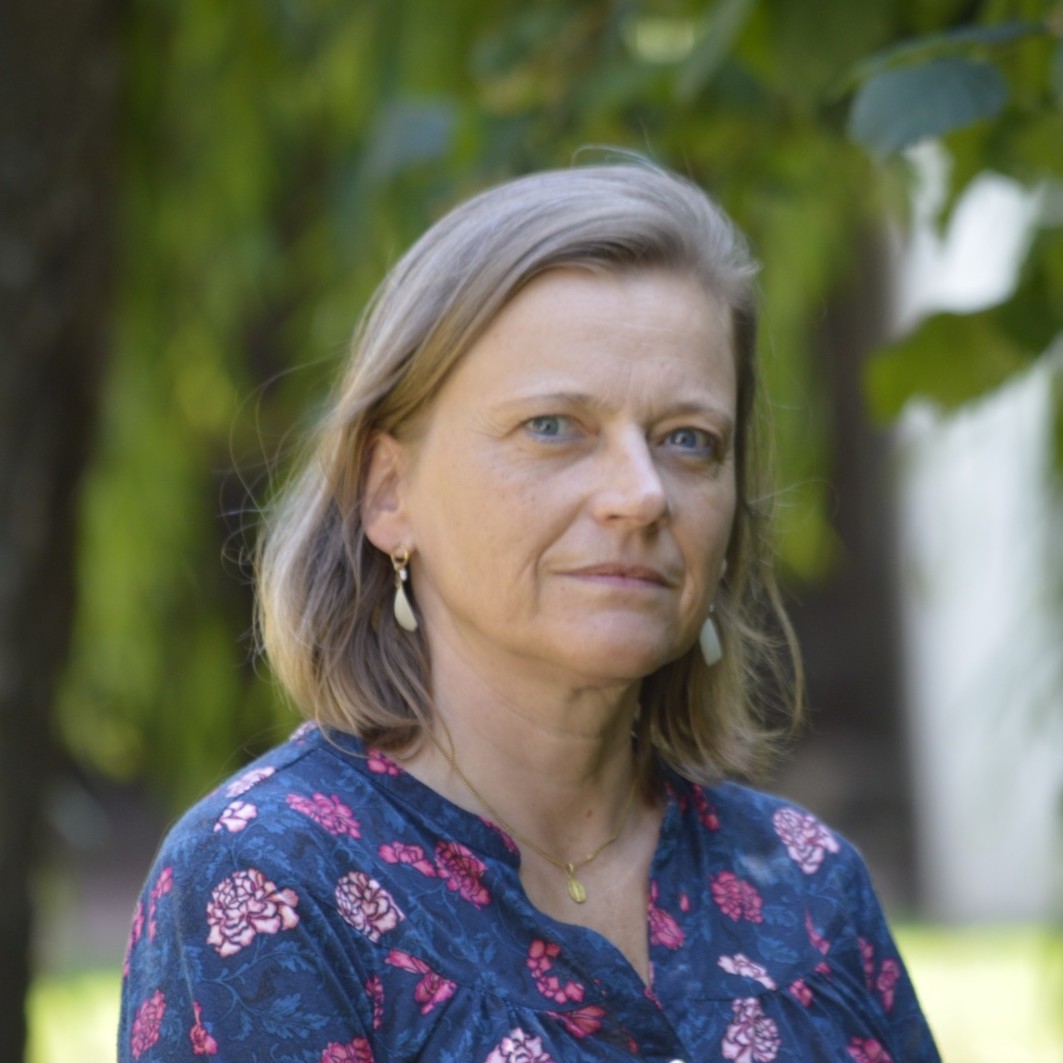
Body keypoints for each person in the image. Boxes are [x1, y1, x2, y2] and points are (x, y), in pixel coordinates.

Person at [118, 161, 940, 1062]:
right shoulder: (272, 882)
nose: (641, 493)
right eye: (553, 426)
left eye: (687, 440)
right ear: (388, 491)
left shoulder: (809, 889)